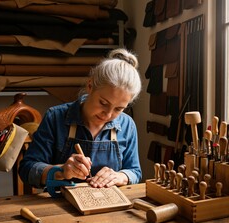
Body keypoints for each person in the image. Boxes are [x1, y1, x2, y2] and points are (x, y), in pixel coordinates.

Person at [19, 48, 142, 189]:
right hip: (62, 204)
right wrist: (60, 171)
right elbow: (27, 169)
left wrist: (120, 176)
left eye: (118, 109)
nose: (108, 115)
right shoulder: (55, 117)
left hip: (109, 205)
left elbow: (135, 172)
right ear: (90, 86)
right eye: (103, 103)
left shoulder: (127, 125)